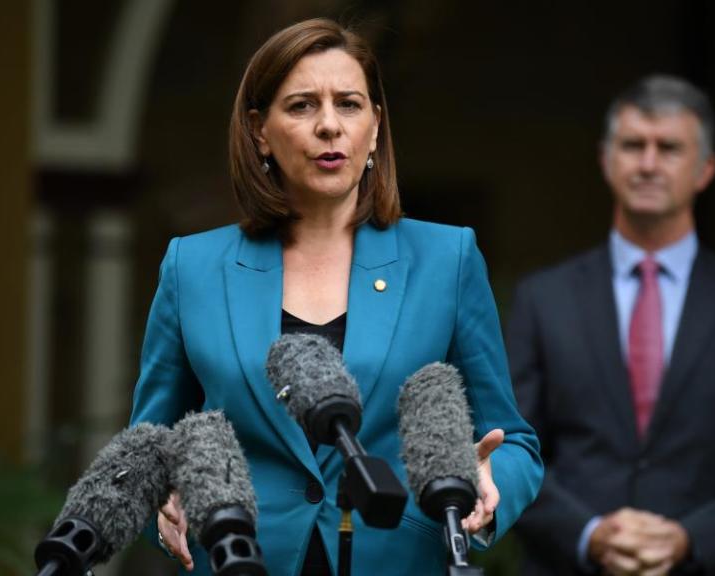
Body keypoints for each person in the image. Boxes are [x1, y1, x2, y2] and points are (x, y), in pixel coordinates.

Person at [129, 18, 543, 576]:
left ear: (375, 126)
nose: (329, 126)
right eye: (301, 106)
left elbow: (512, 439)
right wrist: (163, 498)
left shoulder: (448, 260)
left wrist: (491, 488)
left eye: (349, 104)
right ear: (259, 130)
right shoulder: (193, 267)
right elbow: (150, 444)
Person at [508, 75, 715, 575]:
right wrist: (589, 535)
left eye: (670, 148)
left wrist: (688, 538)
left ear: (706, 169)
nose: (649, 163)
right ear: (605, 159)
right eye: (634, 145)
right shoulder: (541, 300)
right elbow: (509, 449)